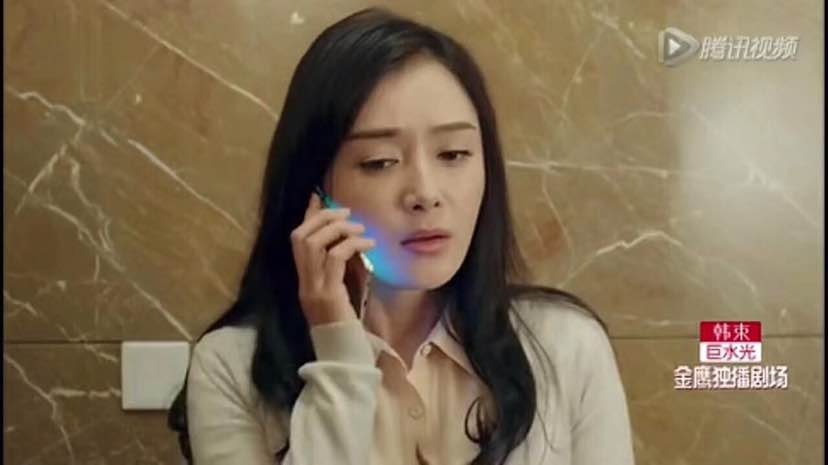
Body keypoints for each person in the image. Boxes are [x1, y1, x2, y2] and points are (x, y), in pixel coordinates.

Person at [167, 7, 635, 465]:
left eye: (453, 154)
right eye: (379, 162)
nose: (425, 194)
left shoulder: (566, 345)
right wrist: (337, 351)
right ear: (315, 191)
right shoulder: (229, 367)